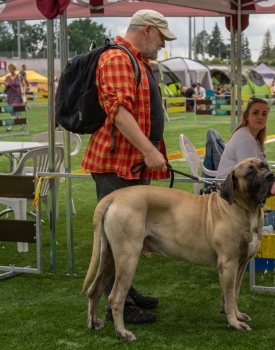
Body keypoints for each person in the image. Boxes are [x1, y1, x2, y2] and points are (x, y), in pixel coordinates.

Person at [80, 9, 176, 325]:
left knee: (127, 236)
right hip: (115, 165)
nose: (163, 44)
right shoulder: (118, 59)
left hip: (130, 165)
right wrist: (149, 150)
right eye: (161, 37)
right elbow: (119, 112)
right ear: (147, 30)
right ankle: (116, 304)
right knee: (117, 238)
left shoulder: (135, 61)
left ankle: (125, 290)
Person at [216, 97, 275, 231]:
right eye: (255, 113)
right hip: (231, 196)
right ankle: (265, 229)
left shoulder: (252, 136)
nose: (260, 117)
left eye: (264, 114)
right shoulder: (245, 139)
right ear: (246, 116)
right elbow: (252, 178)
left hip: (240, 193)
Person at [3, 62, 26, 131]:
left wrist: (23, 91)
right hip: (10, 97)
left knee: (15, 111)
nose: (11, 70)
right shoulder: (7, 78)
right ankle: (22, 123)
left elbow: (24, 85)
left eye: (12, 69)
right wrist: (6, 85)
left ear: (15, 69)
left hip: (17, 97)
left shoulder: (19, 76)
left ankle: (10, 127)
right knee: (14, 113)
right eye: (10, 69)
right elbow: (5, 88)